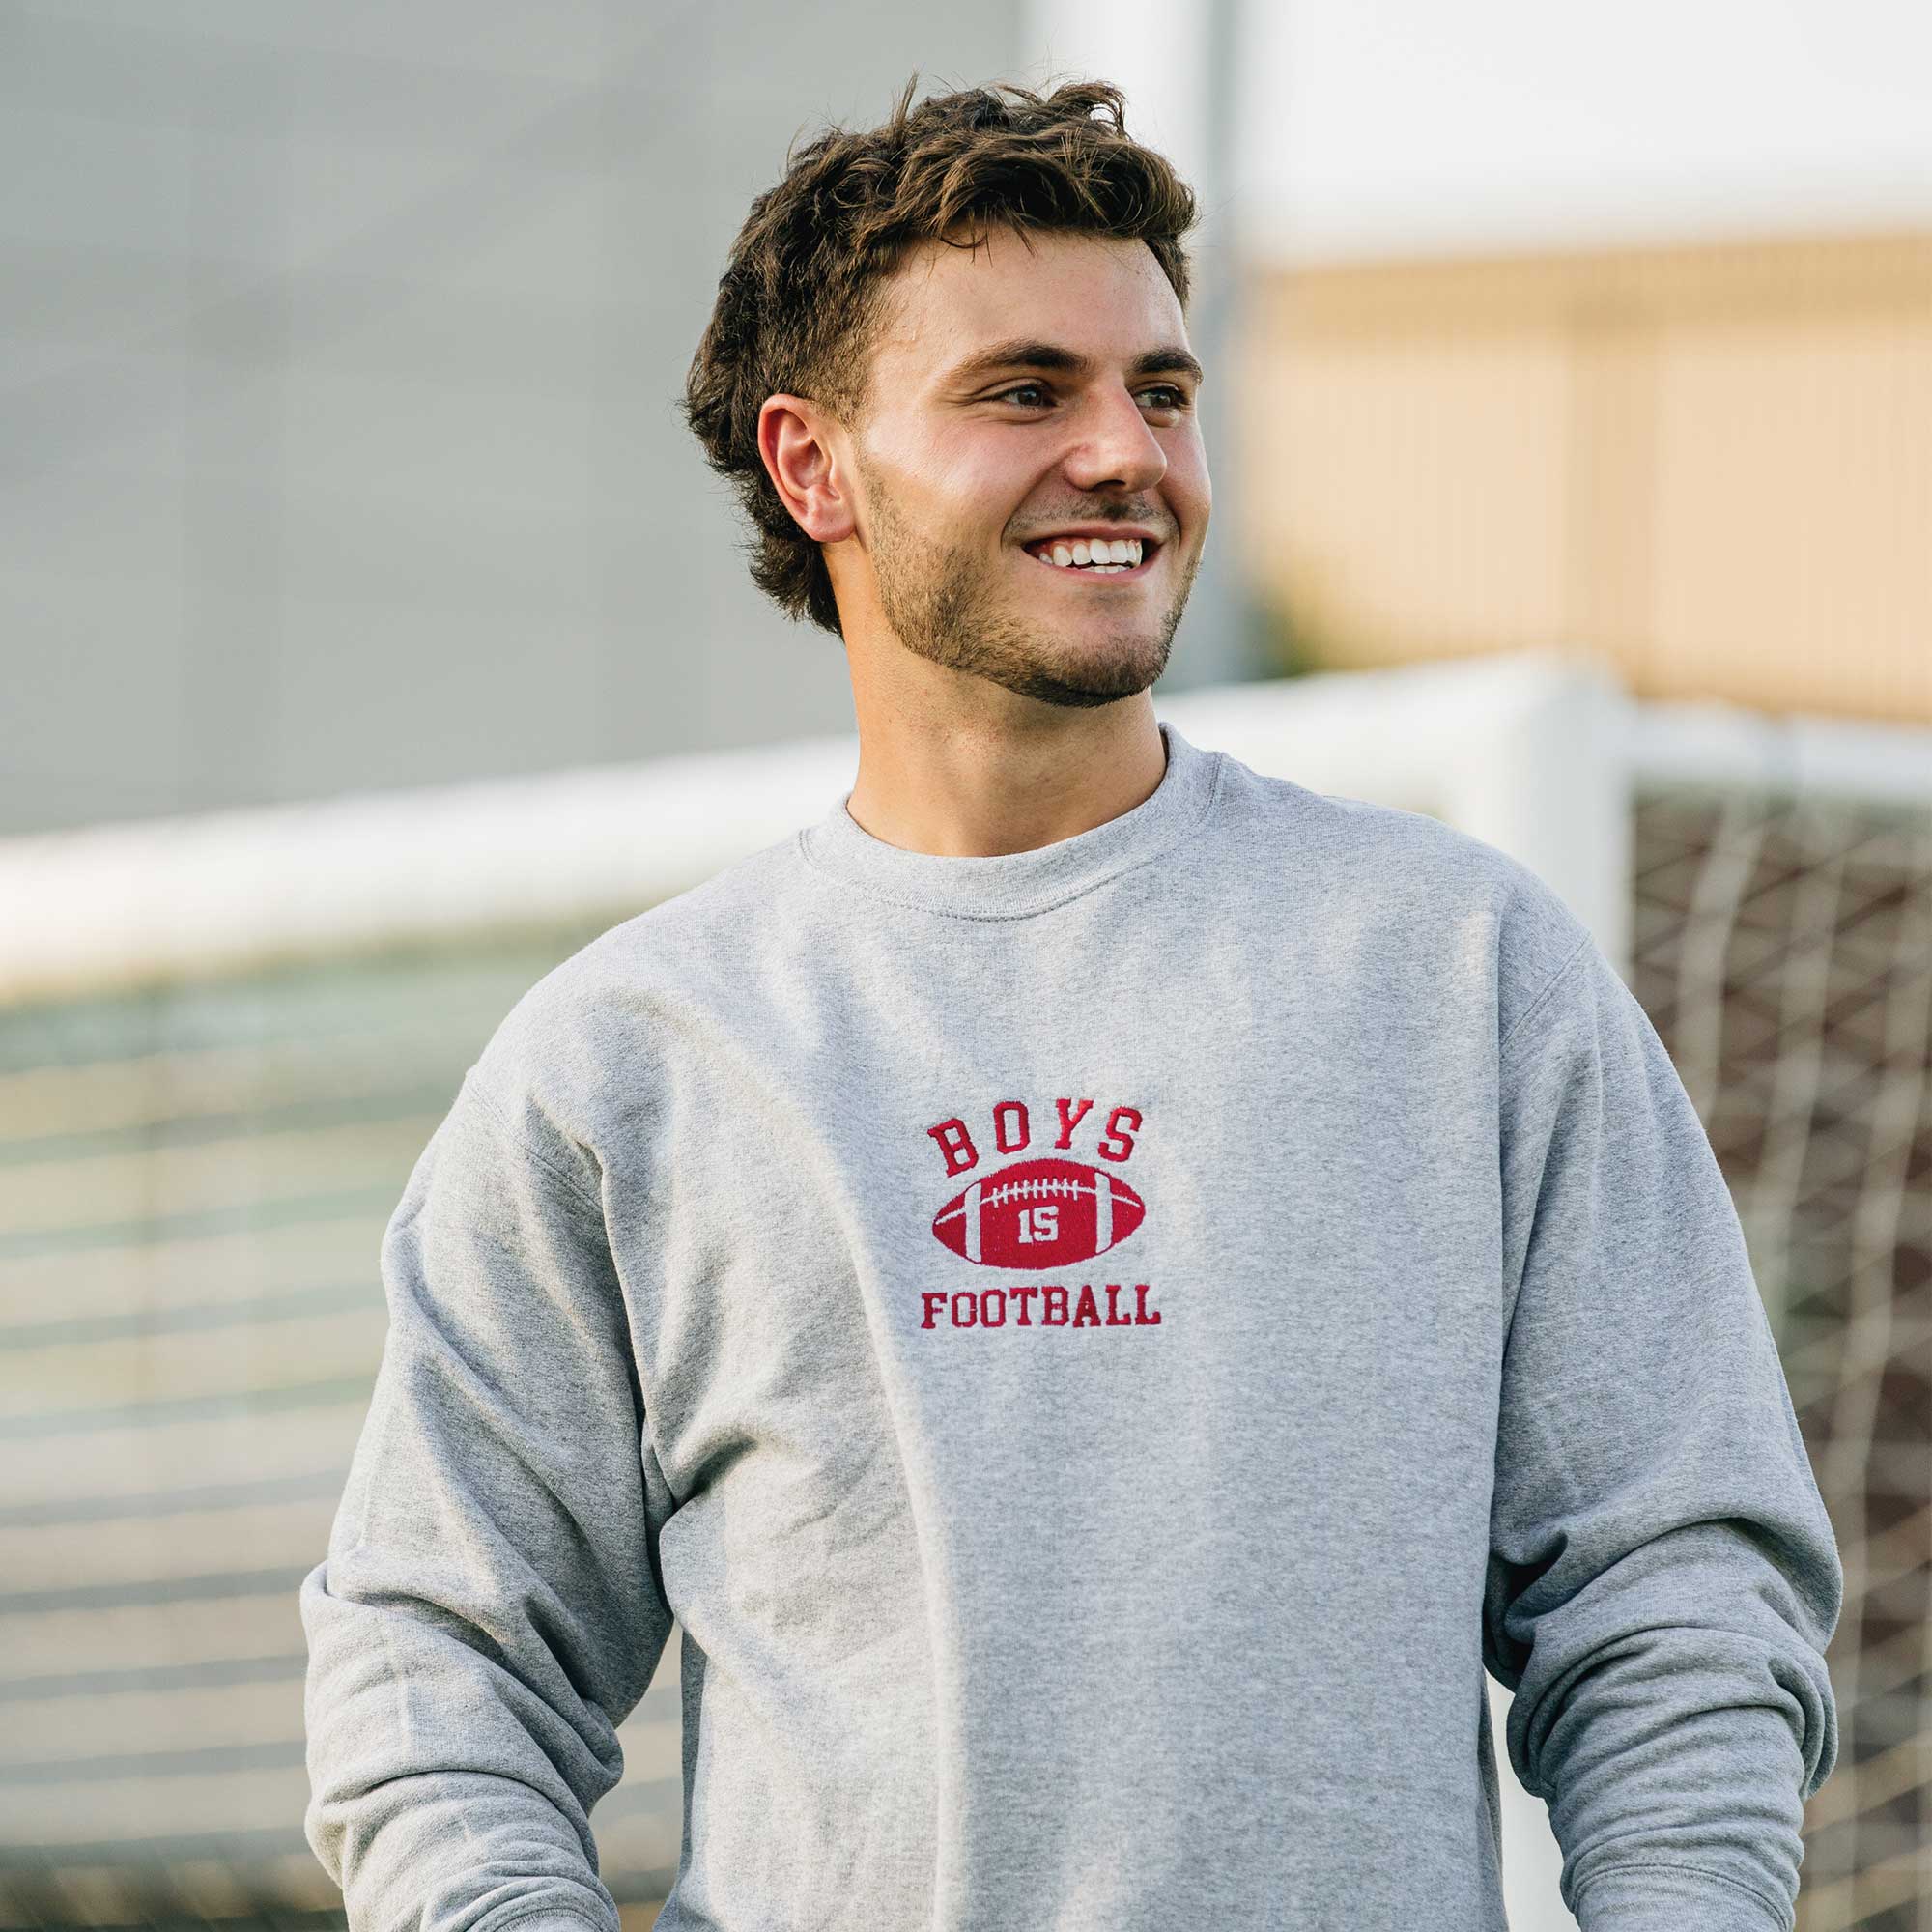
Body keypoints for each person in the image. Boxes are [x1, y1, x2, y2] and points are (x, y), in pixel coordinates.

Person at [299, 75, 1842, 1932]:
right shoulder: (630, 1064)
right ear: (813, 465)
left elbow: (1677, 1597)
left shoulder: (1460, 971)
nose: (1128, 452)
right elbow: (436, 1672)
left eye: (1163, 391)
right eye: (1026, 390)